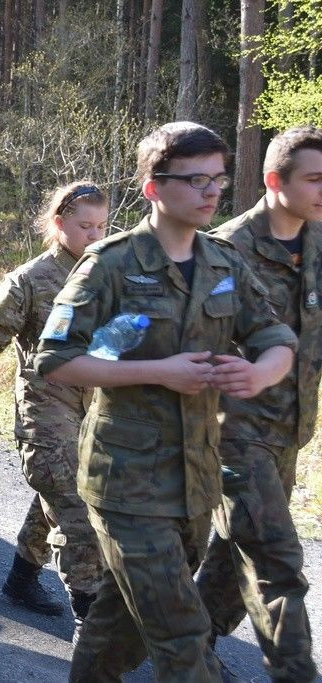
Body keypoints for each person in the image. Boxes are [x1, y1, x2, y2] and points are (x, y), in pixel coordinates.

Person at [34, 121, 298, 681]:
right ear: (154, 187)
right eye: (195, 179)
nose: (210, 193)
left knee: (119, 622)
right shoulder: (111, 263)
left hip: (196, 476)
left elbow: (277, 337)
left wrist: (257, 373)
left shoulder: (224, 264)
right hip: (127, 479)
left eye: (219, 181)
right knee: (181, 630)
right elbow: (54, 360)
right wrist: (161, 371)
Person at [193, 127, 322, 682]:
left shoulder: (318, 242)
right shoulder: (225, 250)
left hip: (290, 429)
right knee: (276, 563)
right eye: (315, 179)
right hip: (232, 434)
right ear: (275, 182)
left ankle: (185, 648)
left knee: (232, 550)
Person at [0, 182, 108, 634]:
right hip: (44, 411)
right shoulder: (30, 279)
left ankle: (20, 580)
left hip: (94, 411)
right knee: (76, 511)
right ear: (59, 224)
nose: (95, 235)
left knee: (53, 500)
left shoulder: (109, 271)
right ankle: (90, 623)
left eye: (101, 225)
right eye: (84, 226)